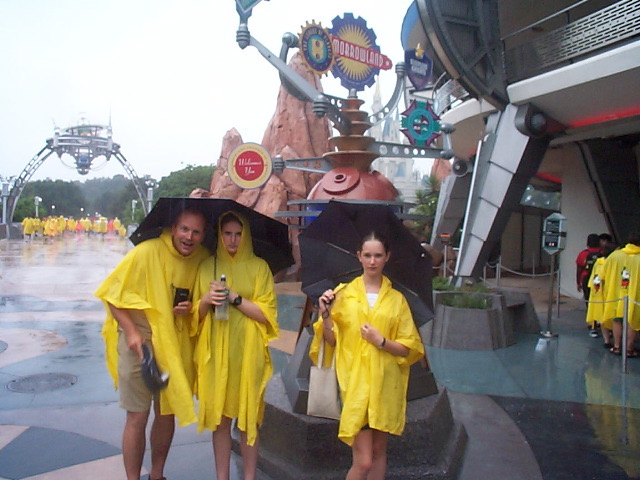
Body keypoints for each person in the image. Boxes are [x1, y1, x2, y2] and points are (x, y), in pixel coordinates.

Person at [95, 208, 210, 480]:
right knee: (137, 415)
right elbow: (112, 295)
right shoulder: (145, 252)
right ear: (173, 227)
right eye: (184, 229)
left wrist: (190, 308)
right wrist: (132, 332)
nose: (189, 237)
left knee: (166, 413)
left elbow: (202, 304)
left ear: (204, 235)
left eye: (196, 232)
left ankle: (157, 474)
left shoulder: (203, 259)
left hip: (175, 341)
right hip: (141, 342)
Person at [310, 232, 425, 480]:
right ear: (359, 257)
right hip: (354, 384)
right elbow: (331, 341)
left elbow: (409, 347)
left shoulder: (397, 300)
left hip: (385, 385)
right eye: (368, 255)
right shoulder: (343, 295)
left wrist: (380, 341)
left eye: (378, 255)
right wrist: (326, 315)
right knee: (363, 461)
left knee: (379, 452)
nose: (373, 261)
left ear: (387, 257)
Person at [192, 212, 278, 480]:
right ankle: (222, 476)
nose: (232, 240)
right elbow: (195, 316)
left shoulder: (259, 267)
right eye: (227, 233)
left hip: (248, 351)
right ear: (219, 235)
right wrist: (206, 300)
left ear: (246, 236)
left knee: (248, 417)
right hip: (217, 350)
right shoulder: (208, 266)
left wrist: (235, 298)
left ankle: (249, 476)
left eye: (238, 234)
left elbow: (267, 315)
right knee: (220, 418)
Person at [601, 232, 640, 358]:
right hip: (635, 296)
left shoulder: (615, 255)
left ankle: (617, 346)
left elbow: (603, 273)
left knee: (617, 320)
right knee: (631, 321)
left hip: (616, 294)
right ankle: (629, 349)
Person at [585, 241, 617, 348]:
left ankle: (607, 340)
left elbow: (594, 279)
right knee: (616, 319)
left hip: (599, 294)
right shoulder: (613, 263)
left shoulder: (598, 262)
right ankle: (618, 342)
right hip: (612, 294)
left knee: (602, 317)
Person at [576, 233, 602, 337]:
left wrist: (578, 282)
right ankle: (602, 324)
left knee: (589, 303)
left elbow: (579, 269)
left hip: (587, 279)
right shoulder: (603, 253)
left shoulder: (583, 254)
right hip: (600, 280)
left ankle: (593, 326)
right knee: (601, 302)